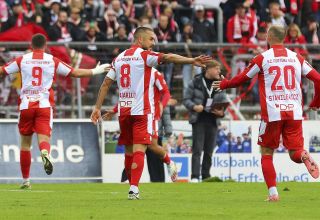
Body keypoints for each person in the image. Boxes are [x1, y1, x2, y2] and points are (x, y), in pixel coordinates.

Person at [90, 26, 211, 200]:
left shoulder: (119, 58)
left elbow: (106, 84)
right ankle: (134, 188)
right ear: (140, 40)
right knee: (142, 148)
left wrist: (97, 107)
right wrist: (191, 61)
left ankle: (136, 183)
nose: (153, 43)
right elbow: (168, 57)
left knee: (130, 151)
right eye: (151, 39)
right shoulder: (145, 57)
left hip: (125, 112)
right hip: (142, 112)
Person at [212, 25, 320, 202]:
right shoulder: (296, 58)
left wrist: (225, 84)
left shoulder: (262, 58)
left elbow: (243, 78)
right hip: (294, 112)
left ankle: (273, 194)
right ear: (284, 37)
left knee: (267, 152)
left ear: (269, 37)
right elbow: (318, 79)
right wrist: (316, 101)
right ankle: (304, 156)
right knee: (295, 152)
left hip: (272, 113)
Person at [0, 33, 110, 189]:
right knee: (44, 138)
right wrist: (96, 70)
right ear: (45, 46)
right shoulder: (51, 60)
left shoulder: (23, 59)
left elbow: (2, 70)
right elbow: (75, 73)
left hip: (26, 105)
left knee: (25, 145)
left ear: (31, 46)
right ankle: (45, 153)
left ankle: (26, 181)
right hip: (44, 105)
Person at [103, 68, 178, 182]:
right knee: (131, 147)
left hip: (150, 115)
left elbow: (166, 93)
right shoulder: (136, 74)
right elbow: (128, 97)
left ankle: (169, 162)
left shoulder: (155, 73)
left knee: (152, 146)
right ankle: (129, 179)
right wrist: (114, 109)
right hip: (135, 114)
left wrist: (162, 105)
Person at [183, 60, 228, 182]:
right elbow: (186, 99)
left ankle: (206, 175)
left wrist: (222, 112)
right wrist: (194, 107)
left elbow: (224, 102)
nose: (219, 71)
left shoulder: (220, 83)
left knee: (209, 151)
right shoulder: (195, 81)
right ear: (208, 69)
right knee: (197, 149)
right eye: (217, 68)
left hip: (213, 121)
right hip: (198, 120)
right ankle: (195, 176)